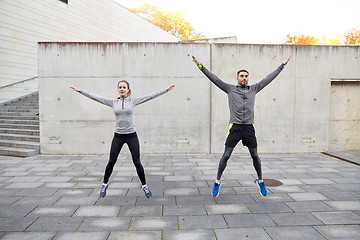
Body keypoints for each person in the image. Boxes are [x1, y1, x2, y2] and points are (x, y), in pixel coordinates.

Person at [192, 55, 291, 197]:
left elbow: (269, 78)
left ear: (248, 78)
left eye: (246, 76)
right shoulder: (230, 89)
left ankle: (261, 181)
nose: (244, 78)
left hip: (249, 127)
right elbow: (214, 78)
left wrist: (282, 65)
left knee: (255, 155)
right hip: (235, 127)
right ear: (237, 78)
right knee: (226, 155)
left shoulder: (254, 89)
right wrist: (200, 65)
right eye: (241, 76)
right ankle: (217, 182)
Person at [70, 81, 175, 198]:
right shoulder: (113, 102)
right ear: (118, 89)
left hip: (131, 135)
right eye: (120, 87)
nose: (122, 89)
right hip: (118, 136)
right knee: (111, 161)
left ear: (128, 89)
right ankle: (104, 184)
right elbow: (96, 98)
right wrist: (80, 91)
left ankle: (144, 186)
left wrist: (165, 90)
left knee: (137, 162)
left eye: (124, 87)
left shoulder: (133, 101)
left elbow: (149, 96)